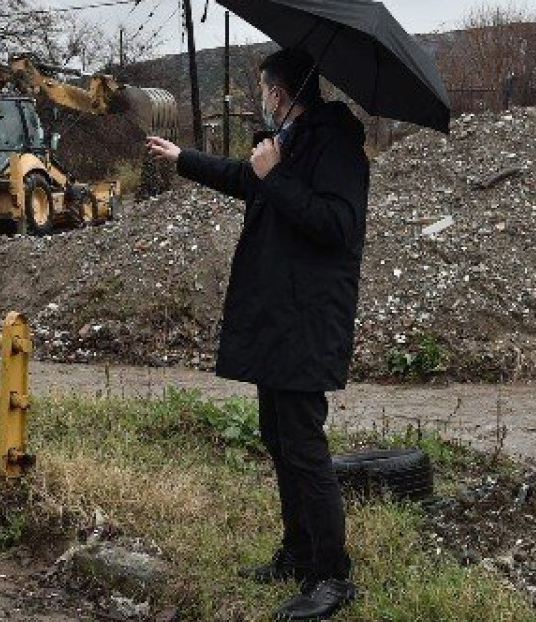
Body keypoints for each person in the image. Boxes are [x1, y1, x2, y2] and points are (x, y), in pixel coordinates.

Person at [145, 47, 369, 621]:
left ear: (280, 93)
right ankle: (298, 554)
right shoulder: (290, 145)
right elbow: (249, 180)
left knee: (304, 446)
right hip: (279, 318)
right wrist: (183, 158)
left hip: (306, 320)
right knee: (277, 435)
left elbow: (336, 226)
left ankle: (332, 576)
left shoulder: (336, 145)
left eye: (265, 91)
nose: (262, 101)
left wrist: (276, 176)